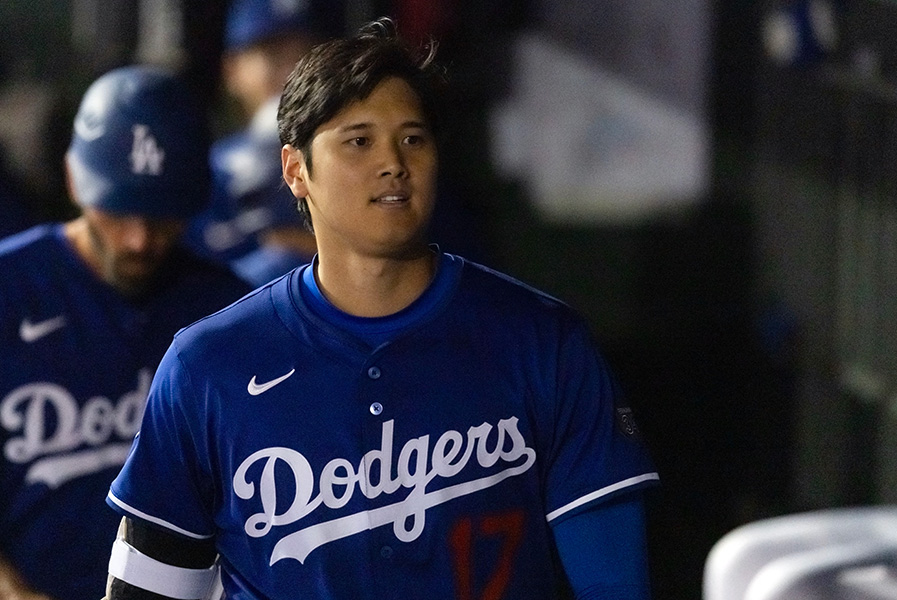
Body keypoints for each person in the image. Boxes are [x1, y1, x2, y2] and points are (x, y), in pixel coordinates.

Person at [103, 18, 660, 600]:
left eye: (413, 139)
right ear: (296, 170)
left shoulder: (544, 342)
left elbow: (614, 583)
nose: (393, 162)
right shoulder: (207, 367)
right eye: (359, 141)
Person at [0, 65, 252, 600]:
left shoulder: (226, 310)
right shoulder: (9, 291)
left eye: (161, 217)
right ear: (73, 179)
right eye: (117, 210)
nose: (139, 240)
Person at [184, 0, 345, 287]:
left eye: (303, 56)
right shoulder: (204, 174)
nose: (290, 73)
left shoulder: (359, 159)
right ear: (232, 71)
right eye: (272, 55)